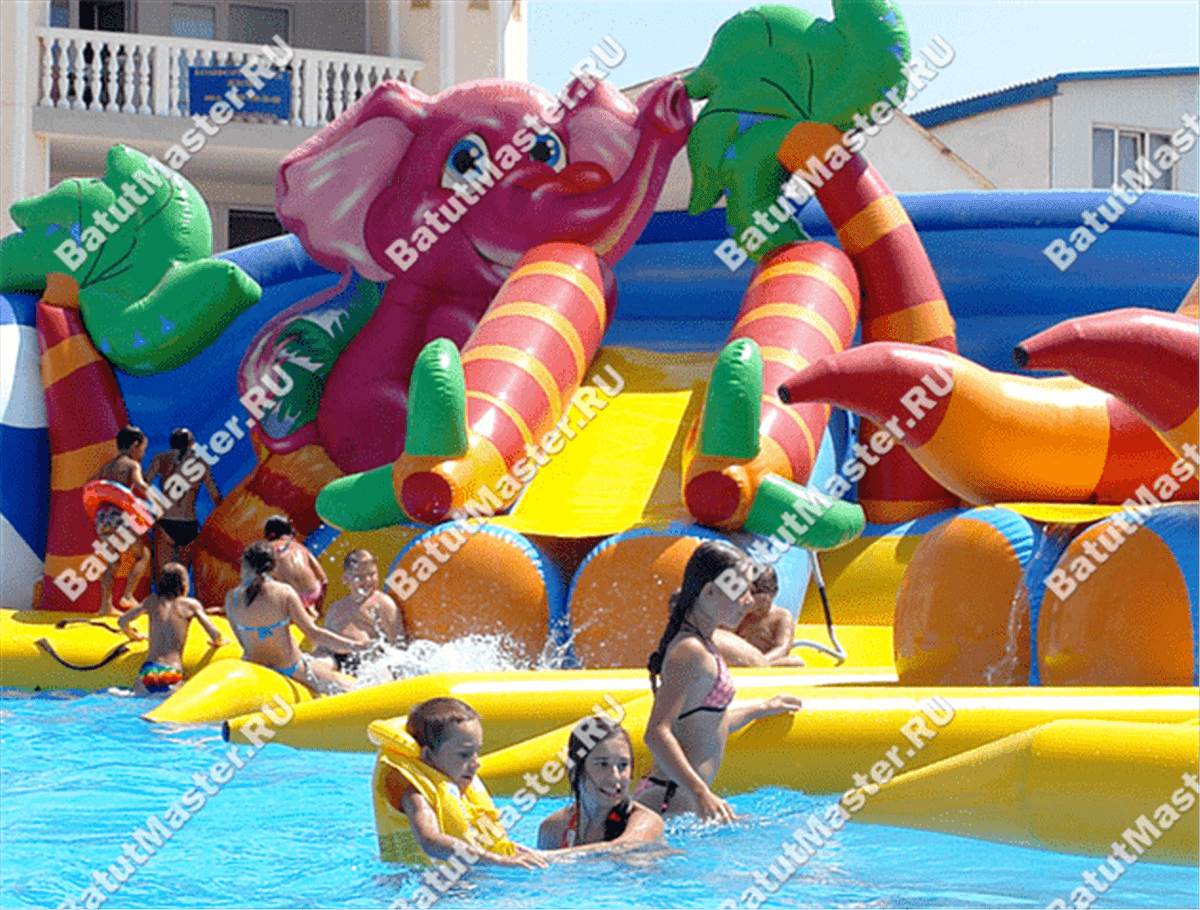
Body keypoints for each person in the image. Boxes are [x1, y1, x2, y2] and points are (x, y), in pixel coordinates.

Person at [635, 540, 803, 822]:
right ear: (710, 591)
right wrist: (701, 792)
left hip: (681, 802)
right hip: (668, 801)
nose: (749, 600)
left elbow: (708, 723)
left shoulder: (705, 644)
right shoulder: (689, 650)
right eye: (740, 590)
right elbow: (656, 733)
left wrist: (760, 708)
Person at [375, 697, 547, 869]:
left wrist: (504, 852)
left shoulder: (454, 786)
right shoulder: (414, 793)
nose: (476, 763)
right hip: (417, 878)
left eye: (477, 752)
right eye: (464, 754)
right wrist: (497, 860)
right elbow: (429, 840)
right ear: (428, 755)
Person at [224, 541, 358, 695]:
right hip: (292, 668)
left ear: (245, 566)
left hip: (255, 666)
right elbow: (314, 634)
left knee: (320, 661)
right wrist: (355, 646)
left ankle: (327, 662)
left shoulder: (231, 598)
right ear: (273, 567)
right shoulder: (284, 592)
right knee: (349, 689)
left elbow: (243, 641)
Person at [538, 714, 664, 854]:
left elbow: (622, 847)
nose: (615, 776)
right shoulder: (554, 829)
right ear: (574, 770)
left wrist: (546, 856)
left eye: (623, 765)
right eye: (603, 764)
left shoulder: (647, 821)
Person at [117, 562, 227, 694]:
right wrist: (218, 641)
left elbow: (122, 621)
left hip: (148, 670)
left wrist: (133, 635)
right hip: (171, 671)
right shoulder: (190, 605)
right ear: (184, 585)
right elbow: (215, 633)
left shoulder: (152, 601)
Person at [145, 428, 222, 586]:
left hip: (165, 521)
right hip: (189, 524)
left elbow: (143, 486)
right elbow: (215, 496)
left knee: (161, 580)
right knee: (181, 581)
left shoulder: (161, 458)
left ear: (171, 442)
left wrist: (156, 501)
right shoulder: (200, 463)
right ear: (191, 444)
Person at [89, 425, 152, 615]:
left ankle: (105, 607)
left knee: (112, 561)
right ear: (135, 445)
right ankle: (127, 596)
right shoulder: (132, 465)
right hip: (119, 517)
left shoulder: (108, 466)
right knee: (142, 555)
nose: (142, 453)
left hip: (103, 517)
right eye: (142, 448)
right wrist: (154, 500)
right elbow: (140, 485)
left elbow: (91, 484)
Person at [315, 550, 405, 675]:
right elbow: (323, 645)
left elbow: (397, 646)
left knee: (381, 674)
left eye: (372, 574)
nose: (368, 580)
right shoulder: (335, 607)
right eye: (360, 576)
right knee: (315, 666)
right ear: (345, 579)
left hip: (368, 661)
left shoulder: (383, 604)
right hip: (335, 659)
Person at [714, 563, 807, 668]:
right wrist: (744, 611)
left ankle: (758, 665)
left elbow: (783, 647)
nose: (757, 597)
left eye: (762, 591)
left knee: (796, 661)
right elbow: (724, 635)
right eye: (753, 591)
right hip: (740, 660)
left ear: (774, 592)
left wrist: (761, 661)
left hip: (767, 662)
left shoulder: (782, 616)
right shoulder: (739, 612)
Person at [263, 515, 327, 621]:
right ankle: (317, 612)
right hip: (313, 594)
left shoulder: (267, 549)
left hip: (293, 600)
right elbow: (324, 579)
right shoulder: (300, 547)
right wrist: (319, 606)